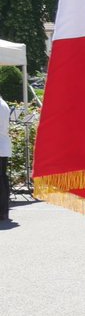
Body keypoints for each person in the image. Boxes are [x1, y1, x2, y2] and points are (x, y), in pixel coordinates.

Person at [0, 95, 11, 224]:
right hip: (3, 145)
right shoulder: (3, 103)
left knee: (1, 179)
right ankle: (4, 211)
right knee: (3, 178)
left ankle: (2, 211)